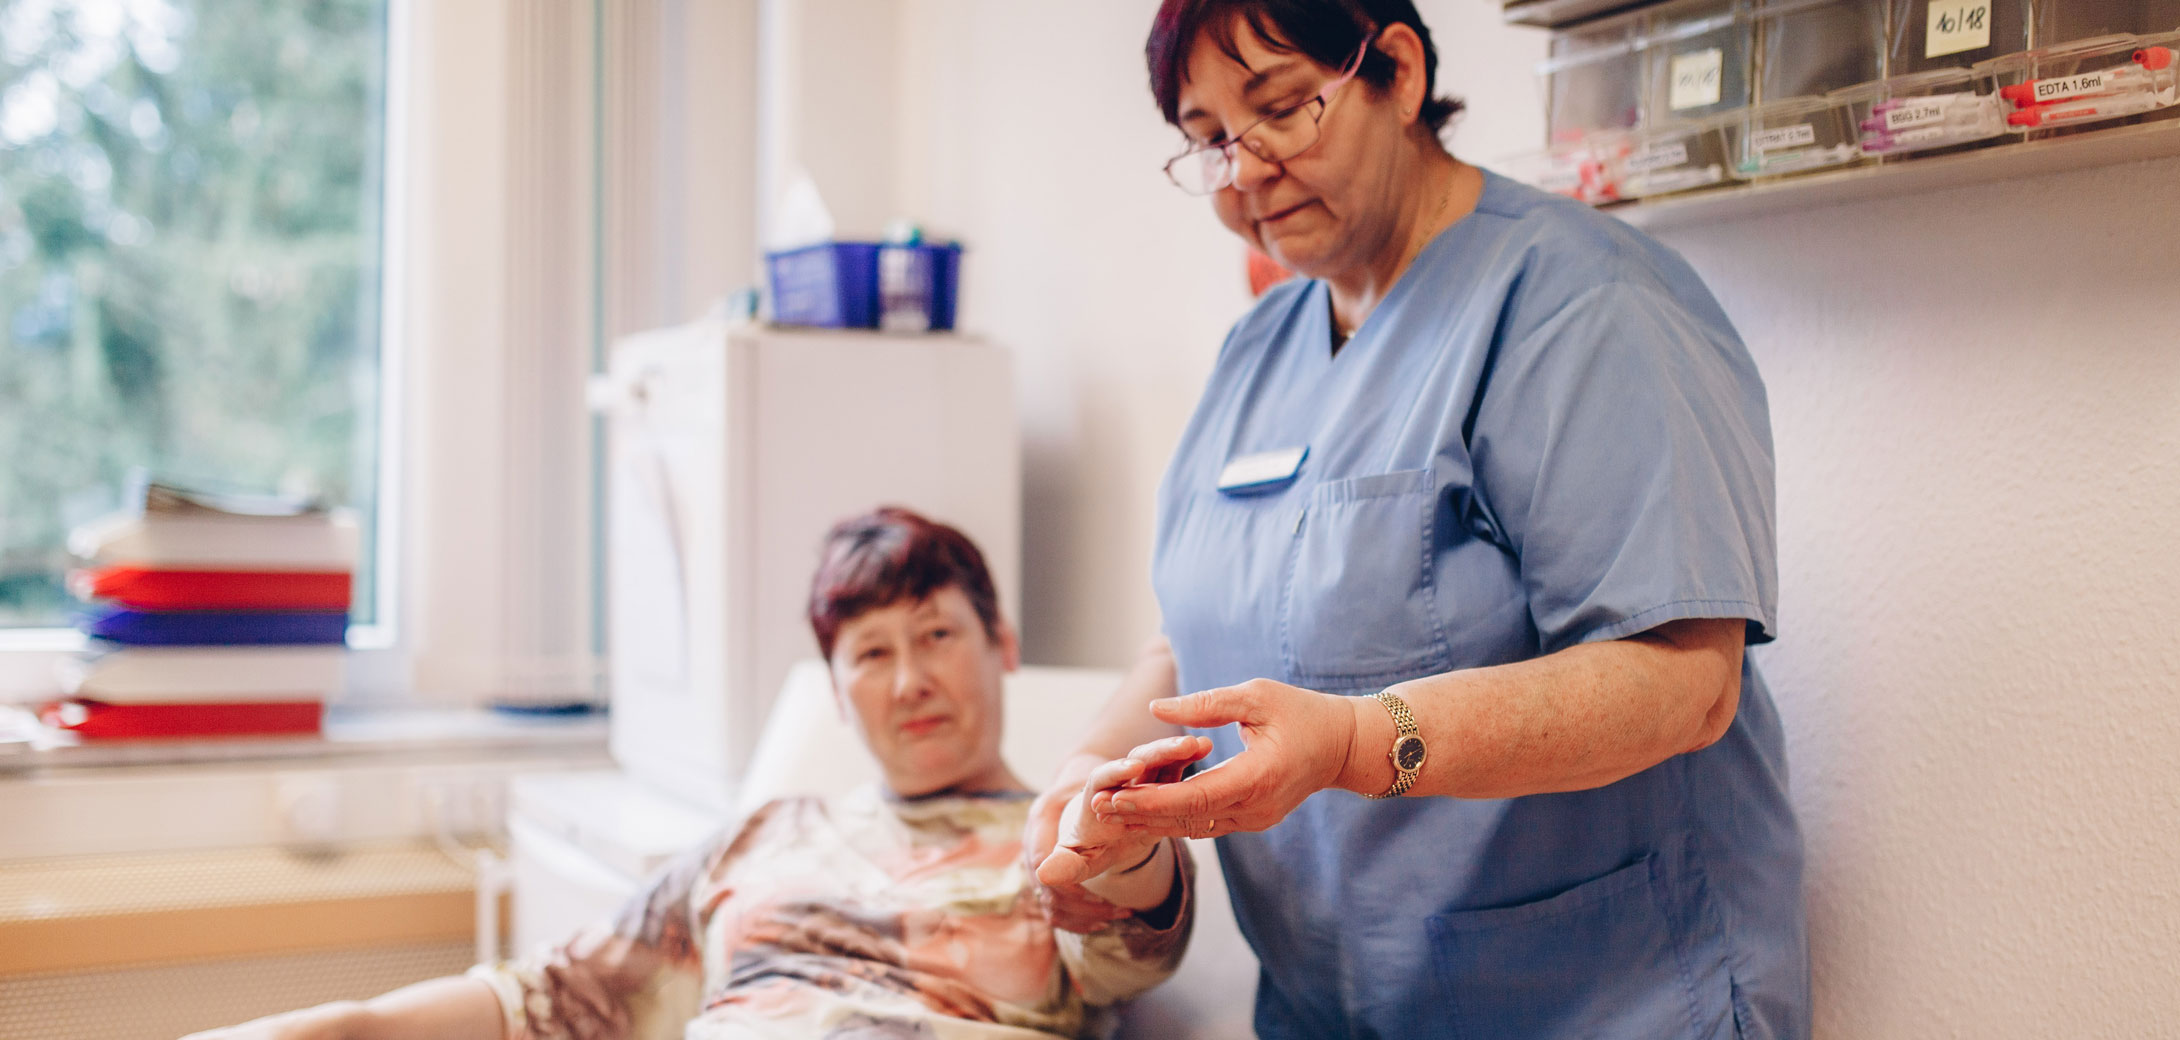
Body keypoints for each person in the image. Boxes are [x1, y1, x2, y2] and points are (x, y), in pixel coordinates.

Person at [1025, 1, 1809, 1038]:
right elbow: (1200, 629)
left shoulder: (1584, 305)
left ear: (1395, 74)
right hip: (1328, 1007)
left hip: (1598, 1002)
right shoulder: (1258, 347)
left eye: (1278, 109)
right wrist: (1088, 773)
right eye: (1210, 141)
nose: (1247, 167)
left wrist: (1353, 740)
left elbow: (1680, 681)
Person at [189, 507, 1201, 1040]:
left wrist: (1120, 834)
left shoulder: (1060, 835)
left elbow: (1131, 934)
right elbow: (556, 995)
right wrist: (335, 1025)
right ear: (836, 689)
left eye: (937, 633)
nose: (908, 681)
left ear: (1001, 644)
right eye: (870, 653)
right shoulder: (762, 837)